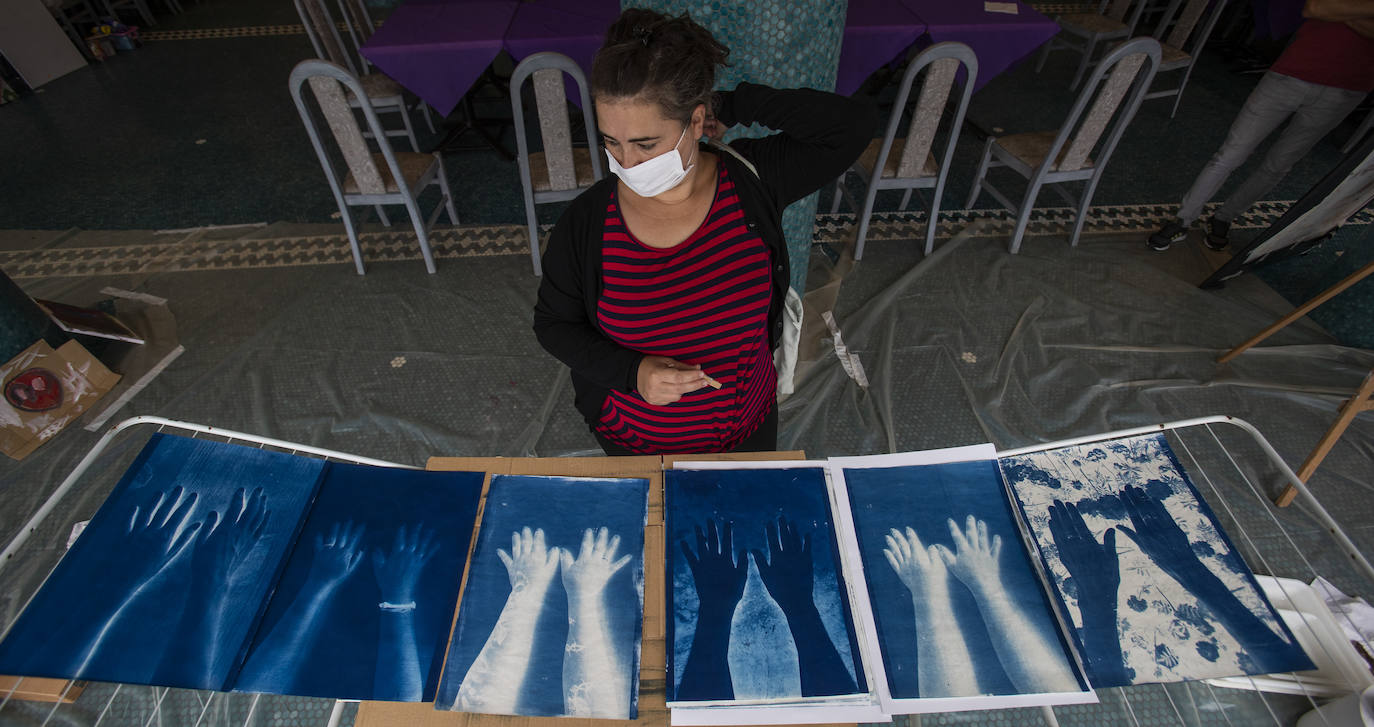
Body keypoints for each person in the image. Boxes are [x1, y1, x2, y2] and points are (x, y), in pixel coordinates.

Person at [532, 8, 875, 455]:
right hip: (635, 443)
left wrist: (730, 104)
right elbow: (554, 324)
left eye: (645, 144)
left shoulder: (755, 180)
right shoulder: (586, 225)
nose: (626, 163)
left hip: (747, 429)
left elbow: (850, 126)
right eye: (611, 141)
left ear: (695, 123)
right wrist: (633, 373)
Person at [1146, 0, 1374, 252]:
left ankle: (1224, 217)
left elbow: (1329, 10)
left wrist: (1343, 12)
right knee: (1231, 152)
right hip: (1291, 73)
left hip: (1347, 89)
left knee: (1278, 165)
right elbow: (1316, 9)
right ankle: (1183, 218)